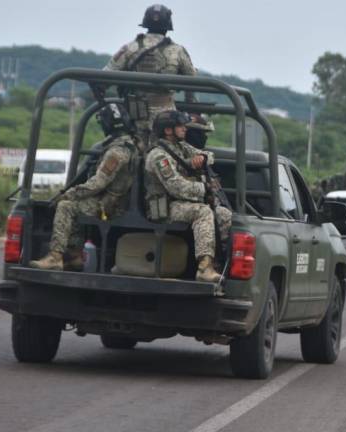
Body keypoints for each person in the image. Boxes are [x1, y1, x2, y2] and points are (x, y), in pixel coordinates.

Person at [30, 104, 140, 271]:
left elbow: (98, 183)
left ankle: (55, 257)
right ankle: (74, 256)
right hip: (115, 202)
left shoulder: (116, 151)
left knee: (66, 206)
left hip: (110, 206)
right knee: (79, 204)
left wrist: (69, 194)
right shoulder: (129, 145)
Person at [144, 110, 232, 283]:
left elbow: (210, 155)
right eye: (180, 126)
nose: (185, 129)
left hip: (181, 204)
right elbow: (176, 187)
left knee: (224, 214)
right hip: (165, 207)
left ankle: (219, 265)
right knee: (203, 212)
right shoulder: (158, 156)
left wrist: (202, 157)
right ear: (168, 130)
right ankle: (204, 268)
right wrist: (204, 188)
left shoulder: (180, 146)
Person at [105, 4, 197, 144]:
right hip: (166, 119)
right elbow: (192, 80)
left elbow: (106, 75)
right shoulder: (177, 51)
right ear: (168, 25)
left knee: (131, 151)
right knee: (167, 153)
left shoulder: (130, 47)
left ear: (145, 23)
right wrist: (191, 108)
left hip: (134, 114)